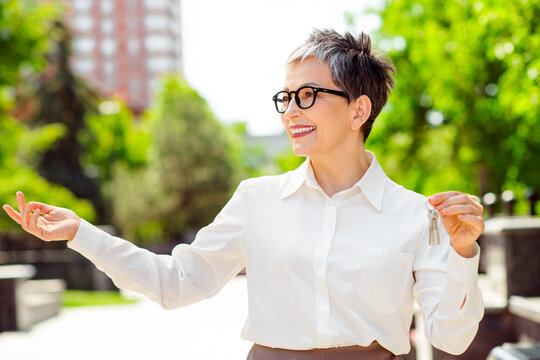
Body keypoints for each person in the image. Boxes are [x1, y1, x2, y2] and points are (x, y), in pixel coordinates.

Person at [3, 29, 484, 360]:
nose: (291, 110)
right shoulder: (256, 200)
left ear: (359, 110)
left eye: (308, 95)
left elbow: (453, 340)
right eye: (286, 97)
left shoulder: (416, 215)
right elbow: (175, 283)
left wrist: (463, 253)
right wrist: (81, 233)